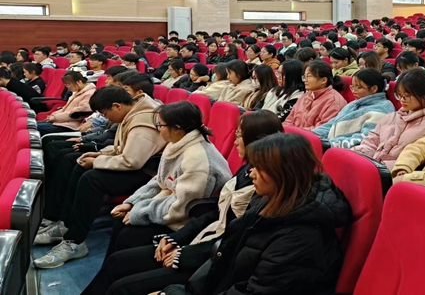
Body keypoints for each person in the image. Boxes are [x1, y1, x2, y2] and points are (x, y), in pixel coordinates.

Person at [80, 111, 286, 295]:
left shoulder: (263, 188)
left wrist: (185, 252)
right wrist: (175, 238)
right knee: (118, 260)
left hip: (210, 255)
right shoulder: (248, 169)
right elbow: (217, 210)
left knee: (123, 281)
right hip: (204, 236)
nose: (234, 141)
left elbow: (234, 242)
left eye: (239, 135)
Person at [153, 133, 351, 295]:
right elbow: (226, 256)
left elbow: (257, 289)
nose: (251, 174)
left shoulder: (299, 238)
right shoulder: (268, 200)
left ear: (283, 173)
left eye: (259, 168)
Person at [35, 86, 166, 269]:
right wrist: (99, 154)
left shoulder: (143, 123)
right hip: (138, 163)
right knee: (79, 164)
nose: (106, 118)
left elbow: (132, 161)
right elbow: (122, 148)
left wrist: (97, 162)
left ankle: (75, 242)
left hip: (148, 173)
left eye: (105, 113)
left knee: (93, 179)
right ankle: (65, 224)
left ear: (117, 106)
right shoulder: (134, 111)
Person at [99, 102, 232, 259]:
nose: (158, 129)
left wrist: (141, 212)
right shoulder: (176, 143)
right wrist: (133, 203)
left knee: (128, 236)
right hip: (166, 206)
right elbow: (161, 180)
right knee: (120, 223)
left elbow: (181, 207)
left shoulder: (198, 161)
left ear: (177, 128)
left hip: (186, 220)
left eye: (161, 125)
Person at [353, 69, 425, 168]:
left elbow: (421, 161)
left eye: (406, 96)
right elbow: (371, 141)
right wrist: (360, 155)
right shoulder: (392, 116)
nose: (402, 100)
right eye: (399, 95)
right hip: (372, 165)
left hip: (396, 171)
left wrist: (381, 168)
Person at [314, 69, 395, 148]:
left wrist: (329, 144)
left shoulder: (382, 109)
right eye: (352, 87)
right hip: (331, 145)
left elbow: (364, 139)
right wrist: (313, 135)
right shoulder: (354, 103)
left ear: (374, 89)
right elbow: (331, 124)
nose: (353, 91)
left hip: (350, 151)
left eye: (358, 87)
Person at [284, 60, 347, 130]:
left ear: (323, 80)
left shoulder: (334, 101)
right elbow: (289, 120)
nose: (305, 80)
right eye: (304, 77)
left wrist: (295, 132)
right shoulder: (306, 95)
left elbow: (322, 130)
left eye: (309, 76)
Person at [35, 71, 96, 136]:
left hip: (71, 126)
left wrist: (55, 118)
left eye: (69, 84)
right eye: (66, 84)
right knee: (32, 125)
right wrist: (53, 116)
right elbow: (65, 108)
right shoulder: (77, 92)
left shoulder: (89, 94)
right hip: (63, 122)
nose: (68, 86)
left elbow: (76, 114)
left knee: (34, 127)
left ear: (79, 82)